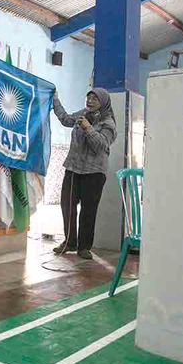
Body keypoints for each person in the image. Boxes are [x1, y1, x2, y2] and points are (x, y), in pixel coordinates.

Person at [52, 88, 117, 259]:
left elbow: (101, 146)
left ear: (103, 102)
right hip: (74, 169)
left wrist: (88, 128)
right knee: (67, 205)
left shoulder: (108, 123)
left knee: (88, 211)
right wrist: (55, 100)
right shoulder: (83, 114)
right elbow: (66, 120)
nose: (90, 101)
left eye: (95, 99)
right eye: (89, 97)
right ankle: (70, 242)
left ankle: (84, 247)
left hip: (94, 172)